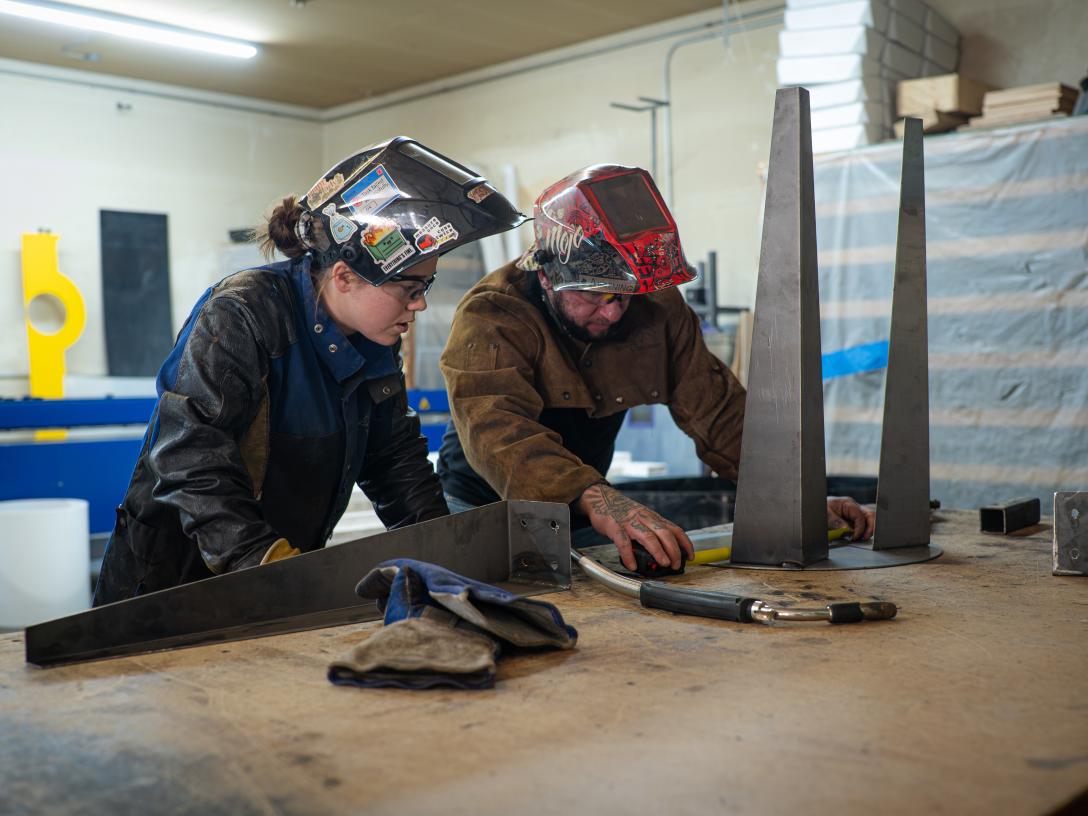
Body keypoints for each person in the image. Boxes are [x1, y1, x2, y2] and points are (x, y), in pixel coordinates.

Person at [94, 136, 525, 605]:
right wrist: (268, 564)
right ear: (343, 276)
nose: (420, 302)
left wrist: (449, 553)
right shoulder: (243, 314)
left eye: (427, 285)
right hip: (176, 580)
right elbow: (189, 458)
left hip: (279, 574)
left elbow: (393, 461)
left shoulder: (375, 343)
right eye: (409, 286)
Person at [437, 164, 874, 573]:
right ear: (549, 277)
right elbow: (499, 430)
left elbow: (720, 414)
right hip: (481, 504)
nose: (612, 314)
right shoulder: (492, 315)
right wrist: (597, 498)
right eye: (594, 296)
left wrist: (796, 495)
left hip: (580, 504)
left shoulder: (658, 310)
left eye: (622, 296)